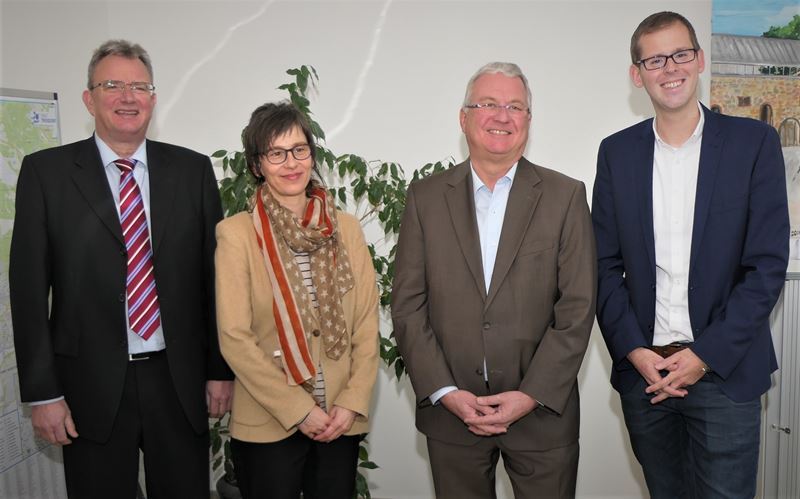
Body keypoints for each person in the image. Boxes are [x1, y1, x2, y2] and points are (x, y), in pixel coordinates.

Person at [9, 40, 233, 498]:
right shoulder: (46, 174)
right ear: (89, 98)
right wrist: (43, 394)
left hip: (179, 382)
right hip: (88, 387)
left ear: (153, 99)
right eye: (112, 85)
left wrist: (219, 369)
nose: (127, 97)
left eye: (139, 86)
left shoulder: (192, 171)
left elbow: (215, 281)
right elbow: (29, 291)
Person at [592, 11, 789, 498]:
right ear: (637, 75)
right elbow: (600, 264)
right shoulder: (616, 153)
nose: (670, 68)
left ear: (699, 60)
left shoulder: (754, 144)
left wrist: (705, 355)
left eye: (680, 54)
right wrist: (634, 350)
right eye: (654, 59)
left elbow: (765, 266)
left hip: (725, 372)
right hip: (647, 377)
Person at [391, 62, 596, 498]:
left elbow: (577, 308)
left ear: (528, 121)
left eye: (515, 106)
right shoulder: (425, 198)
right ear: (463, 117)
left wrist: (529, 395)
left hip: (542, 415)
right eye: (488, 104)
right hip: (452, 416)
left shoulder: (565, 196)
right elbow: (409, 305)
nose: (502, 116)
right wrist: (446, 392)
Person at [215, 101, 379, 499]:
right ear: (257, 165)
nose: (291, 163)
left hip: (340, 418)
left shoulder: (347, 228)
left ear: (312, 154)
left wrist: (352, 401)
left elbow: (366, 322)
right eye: (276, 153)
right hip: (270, 420)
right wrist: (300, 410)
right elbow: (235, 336)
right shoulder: (236, 234)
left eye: (299, 149)